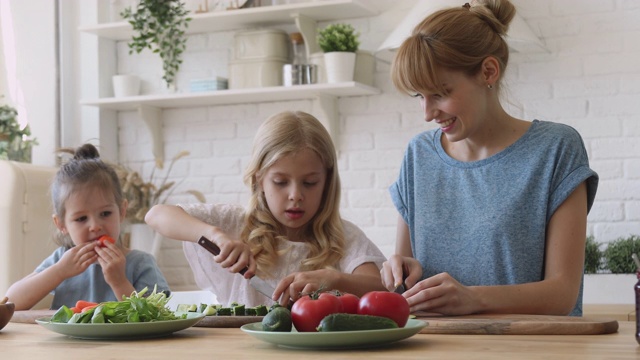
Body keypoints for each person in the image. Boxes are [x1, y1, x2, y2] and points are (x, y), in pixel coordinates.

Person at [380, 0, 598, 316]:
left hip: (531, 347)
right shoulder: (418, 155)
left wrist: (474, 298)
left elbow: (563, 292)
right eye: (419, 96)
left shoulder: (555, 149)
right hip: (437, 346)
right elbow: (405, 286)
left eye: (439, 94)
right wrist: (400, 272)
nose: (427, 114)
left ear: (488, 71)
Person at [145, 111, 386, 307]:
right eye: (280, 182)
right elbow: (156, 215)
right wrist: (215, 235)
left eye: (310, 183)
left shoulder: (343, 237)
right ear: (259, 179)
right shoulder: (234, 222)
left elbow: (381, 288)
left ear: (327, 182)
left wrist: (335, 279)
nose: (295, 196)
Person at [6, 144, 170, 310]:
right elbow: (11, 302)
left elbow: (156, 315)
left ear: (121, 211)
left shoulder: (140, 263)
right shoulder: (63, 260)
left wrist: (119, 282)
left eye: (105, 214)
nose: (95, 226)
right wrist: (59, 271)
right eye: (81, 218)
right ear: (61, 224)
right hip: (70, 337)